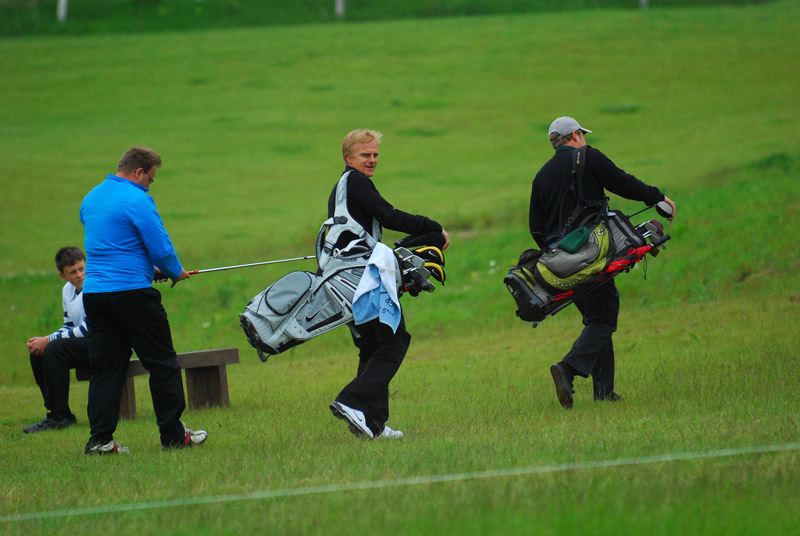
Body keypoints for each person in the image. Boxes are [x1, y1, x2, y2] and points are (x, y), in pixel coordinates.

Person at [529, 117, 676, 409]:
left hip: (558, 264)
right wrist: (658, 198)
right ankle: (568, 369)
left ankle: (605, 391)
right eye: (582, 134)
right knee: (604, 317)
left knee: (597, 317)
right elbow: (623, 182)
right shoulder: (588, 156)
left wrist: (559, 254)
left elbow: (535, 227)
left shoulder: (541, 176)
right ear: (576, 134)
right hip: (593, 253)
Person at [79, 145, 206, 454]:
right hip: (133, 296)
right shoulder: (138, 199)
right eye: (151, 178)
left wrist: (149, 270)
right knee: (162, 363)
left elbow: (113, 245)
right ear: (138, 172)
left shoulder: (91, 197)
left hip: (95, 295)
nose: (150, 183)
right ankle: (173, 435)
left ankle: (100, 441)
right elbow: (160, 247)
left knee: (106, 370)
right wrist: (174, 271)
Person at [327, 129, 450, 439]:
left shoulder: (342, 187)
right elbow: (388, 215)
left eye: (375, 155)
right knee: (395, 340)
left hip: (347, 278)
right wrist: (433, 227)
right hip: (363, 280)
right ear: (348, 158)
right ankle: (351, 401)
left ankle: (372, 423)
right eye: (365, 155)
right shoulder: (356, 182)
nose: (372, 160)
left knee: (372, 345)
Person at [24, 246, 90, 433]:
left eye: (82, 268)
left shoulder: (95, 285)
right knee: (40, 353)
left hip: (108, 344)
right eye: (73, 272)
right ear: (63, 276)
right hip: (86, 343)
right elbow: (69, 326)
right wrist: (44, 342)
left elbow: (87, 329)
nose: (80, 275)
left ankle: (58, 418)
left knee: (55, 348)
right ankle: (59, 414)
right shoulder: (67, 291)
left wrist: (48, 339)